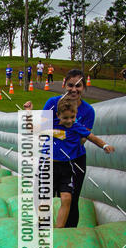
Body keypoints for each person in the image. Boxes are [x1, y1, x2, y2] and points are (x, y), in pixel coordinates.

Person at [25, 68, 95, 227]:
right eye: (71, 85)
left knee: (71, 198)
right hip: (49, 156)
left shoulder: (88, 111)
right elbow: (42, 129)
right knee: (40, 194)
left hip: (74, 159)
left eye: (78, 86)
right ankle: (44, 226)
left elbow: (83, 139)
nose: (74, 89)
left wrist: (65, 136)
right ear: (64, 84)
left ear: (83, 87)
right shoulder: (52, 103)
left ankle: (67, 234)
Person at [52, 98, 114, 227]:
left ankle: (59, 230)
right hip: (51, 167)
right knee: (44, 198)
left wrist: (104, 145)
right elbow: (33, 126)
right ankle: (41, 226)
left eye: (72, 117)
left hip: (67, 168)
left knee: (67, 198)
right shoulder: (51, 125)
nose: (69, 121)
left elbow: (92, 137)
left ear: (76, 115)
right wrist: (28, 111)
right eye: (65, 118)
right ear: (58, 116)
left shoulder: (76, 126)